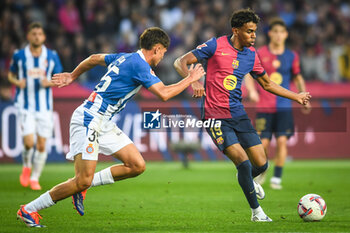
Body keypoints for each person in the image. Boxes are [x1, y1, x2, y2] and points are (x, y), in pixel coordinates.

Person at [16, 27, 205, 228]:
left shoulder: (125, 58)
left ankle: (83, 187)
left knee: (136, 165)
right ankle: (29, 209)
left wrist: (73, 75)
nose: (163, 57)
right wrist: (190, 79)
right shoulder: (140, 65)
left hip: (103, 121)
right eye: (164, 52)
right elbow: (164, 93)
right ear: (157, 49)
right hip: (89, 119)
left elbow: (94, 58)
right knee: (81, 180)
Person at [174, 9, 311, 222]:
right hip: (214, 114)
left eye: (255, 31)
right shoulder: (215, 45)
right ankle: (257, 213)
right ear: (235, 31)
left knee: (262, 163)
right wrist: (193, 80)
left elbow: (266, 83)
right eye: (249, 32)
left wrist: (296, 96)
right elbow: (180, 61)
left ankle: (247, 180)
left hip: (238, 113)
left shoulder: (251, 55)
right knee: (243, 163)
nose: (254, 36)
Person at [245, 18, 311, 190]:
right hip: (264, 107)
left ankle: (277, 178)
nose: (279, 35)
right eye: (275, 32)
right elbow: (248, 74)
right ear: (270, 34)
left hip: (284, 107)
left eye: (282, 32)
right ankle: (262, 170)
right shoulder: (259, 52)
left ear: (286, 34)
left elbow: (297, 77)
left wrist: (303, 97)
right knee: (263, 144)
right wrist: (251, 91)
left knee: (282, 141)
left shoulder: (292, 56)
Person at [8, 22, 63, 190]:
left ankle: (34, 178)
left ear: (44, 37)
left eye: (39, 34)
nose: (37, 36)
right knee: (28, 143)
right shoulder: (19, 56)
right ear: (28, 36)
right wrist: (18, 82)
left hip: (45, 107)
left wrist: (50, 82)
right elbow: (11, 74)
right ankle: (26, 166)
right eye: (34, 34)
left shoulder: (52, 56)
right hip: (25, 105)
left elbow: (59, 77)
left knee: (41, 145)